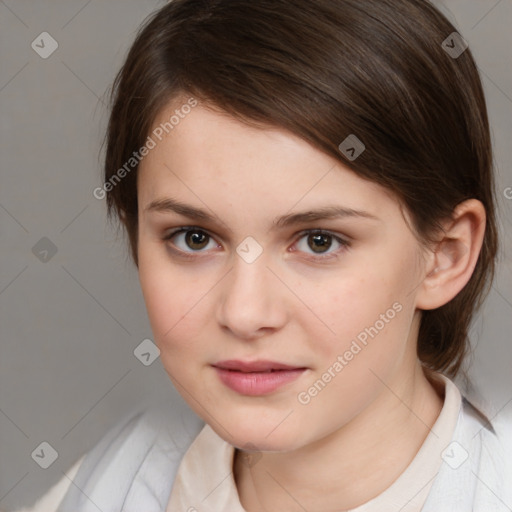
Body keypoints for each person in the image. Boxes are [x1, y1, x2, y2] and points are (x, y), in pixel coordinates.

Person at [17, 0, 512, 510]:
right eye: (194, 238)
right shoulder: (100, 490)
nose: (245, 313)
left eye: (319, 241)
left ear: (444, 256)